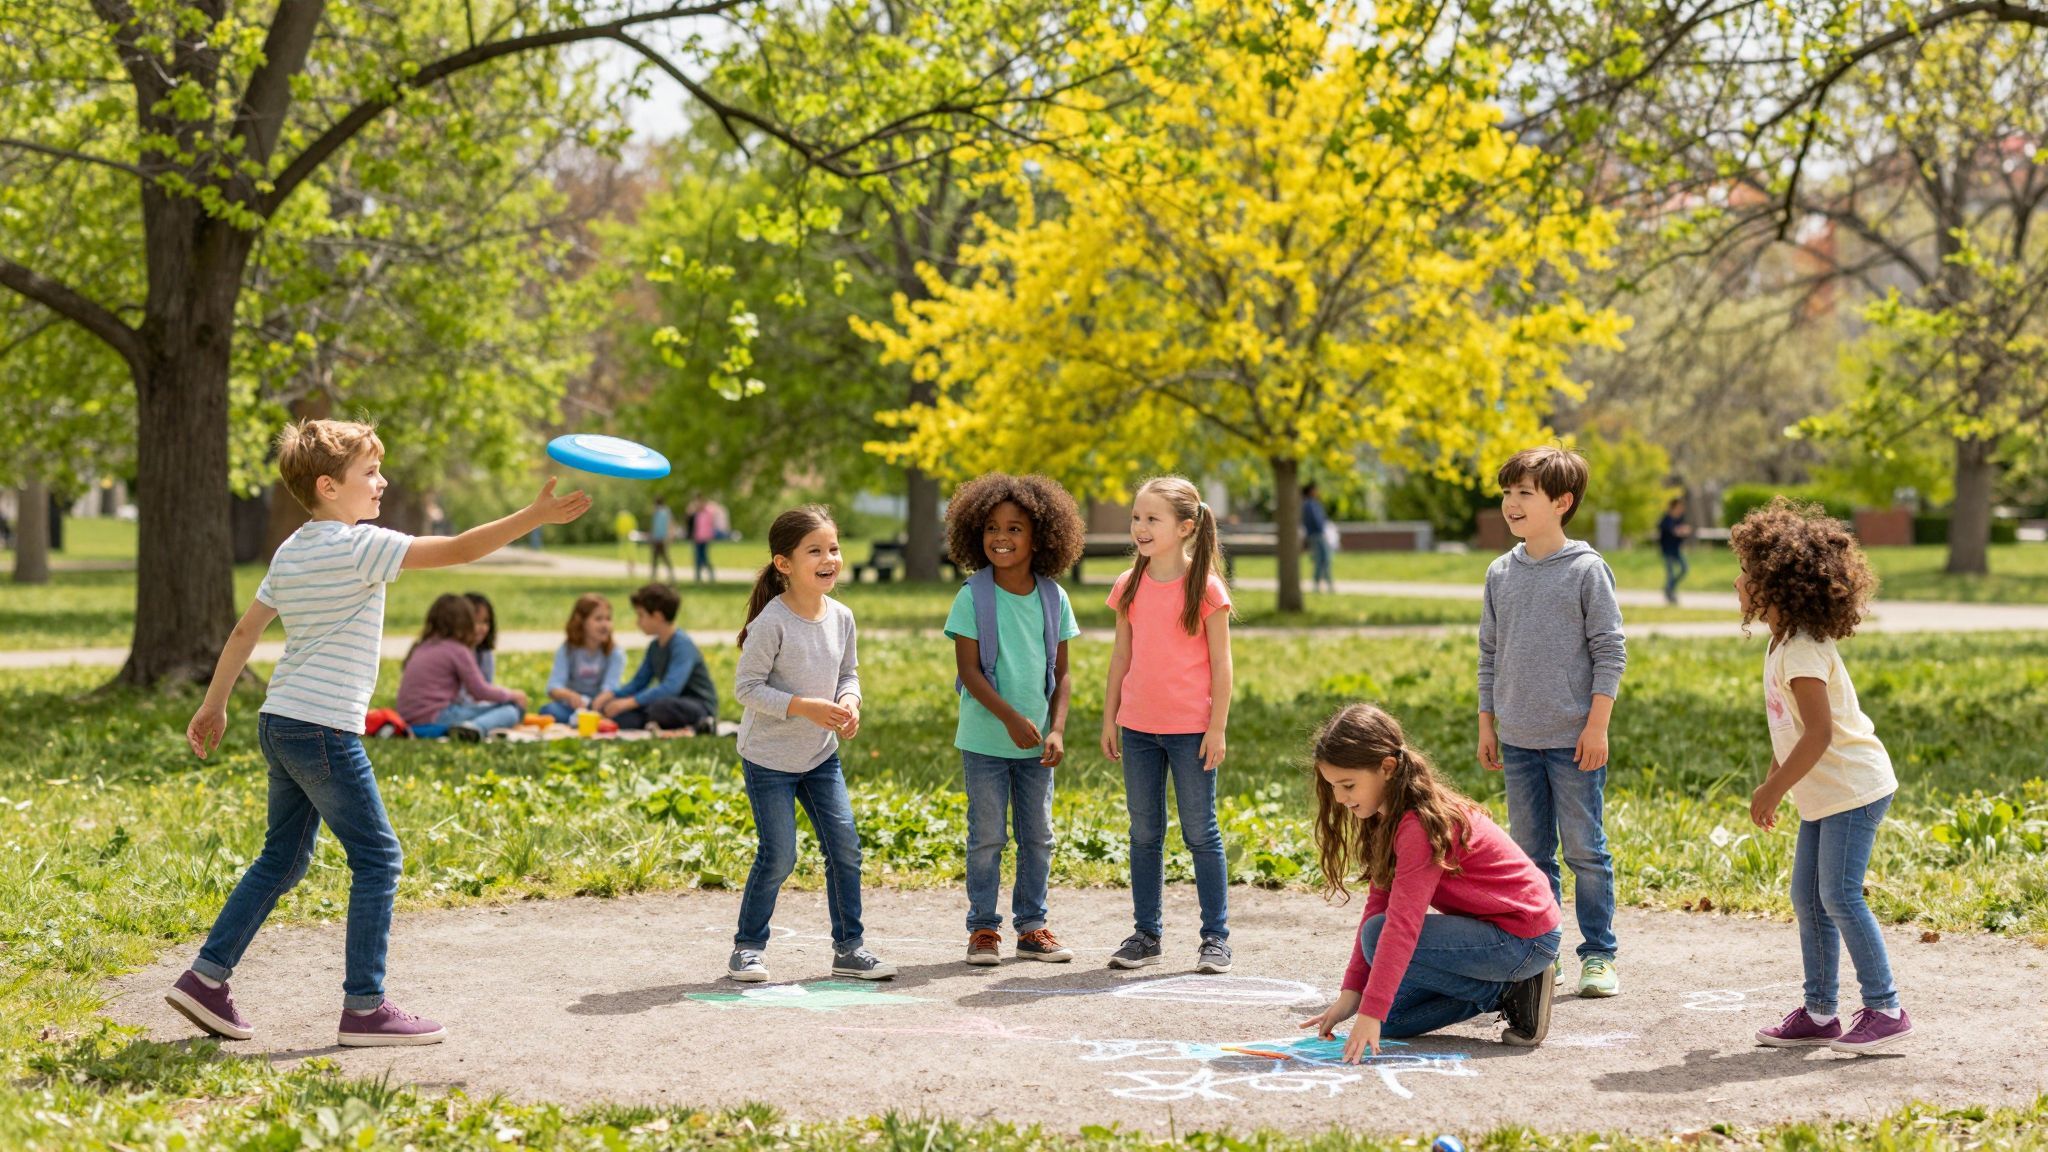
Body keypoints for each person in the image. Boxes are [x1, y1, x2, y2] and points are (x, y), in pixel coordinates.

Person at [173, 418, 589, 1048]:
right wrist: (532, 516)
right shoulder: (358, 545)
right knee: (378, 856)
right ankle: (364, 1008)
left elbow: (244, 633)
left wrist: (214, 705)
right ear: (327, 485)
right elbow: (458, 551)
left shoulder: (291, 550)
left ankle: (206, 979)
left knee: (282, 859)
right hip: (322, 730)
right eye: (369, 472)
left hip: (279, 719)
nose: (381, 482)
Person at [1735, 498, 1911, 1054]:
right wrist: (1775, 781)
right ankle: (1819, 1012)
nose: (1738, 582)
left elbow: (1819, 733)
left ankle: (1885, 1008)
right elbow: (1787, 730)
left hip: (1853, 789)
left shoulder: (1804, 651)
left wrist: (1774, 788)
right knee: (1808, 898)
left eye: (1747, 573)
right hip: (1825, 792)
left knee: (1838, 895)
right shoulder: (1781, 643)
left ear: (1776, 587)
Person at [1299, 703, 1561, 1059]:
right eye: (1333, 787)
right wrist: (1353, 998)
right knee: (1387, 1020)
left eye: (1348, 785)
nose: (1340, 798)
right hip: (1490, 933)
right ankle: (1502, 990)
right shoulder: (1385, 815)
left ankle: (1504, 990)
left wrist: (1370, 1008)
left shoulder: (1418, 825)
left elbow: (1401, 925)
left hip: (1525, 939)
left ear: (1387, 768)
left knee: (1378, 942)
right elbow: (1380, 902)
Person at [1477, 445, 1628, 998]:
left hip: (1572, 740)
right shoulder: (1499, 573)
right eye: (1507, 493)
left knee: (1585, 849)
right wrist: (1487, 722)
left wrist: (1597, 725)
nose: (1511, 504)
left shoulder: (1587, 571)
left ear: (1562, 502)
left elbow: (1610, 651)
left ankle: (1599, 954)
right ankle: (1543, 952)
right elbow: (1489, 652)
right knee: (1531, 852)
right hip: (1516, 739)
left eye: (1525, 493)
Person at [727, 506, 894, 984]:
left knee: (845, 849)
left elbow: (849, 672)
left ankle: (850, 947)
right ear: (784, 564)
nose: (830, 558)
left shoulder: (842, 617)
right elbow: (747, 689)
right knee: (779, 855)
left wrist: (849, 700)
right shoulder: (772, 622)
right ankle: (748, 947)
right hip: (769, 759)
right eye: (815, 550)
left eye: (834, 549)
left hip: (820, 756)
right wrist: (805, 706)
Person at [942, 473, 1087, 967]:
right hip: (985, 739)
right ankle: (983, 928)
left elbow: (1063, 674)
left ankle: (1032, 926)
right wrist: (1008, 718)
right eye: (991, 528)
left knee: (1038, 836)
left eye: (1015, 528)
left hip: (1036, 746)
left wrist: (1057, 727)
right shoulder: (972, 596)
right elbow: (969, 671)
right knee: (987, 836)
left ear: (1041, 536)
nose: (1001, 538)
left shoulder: (1054, 597)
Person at [1100, 475, 1235, 975]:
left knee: (1201, 833)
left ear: (1185, 527)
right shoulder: (1128, 583)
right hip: (1138, 729)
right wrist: (1110, 716)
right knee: (1144, 833)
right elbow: (1121, 656)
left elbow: (1222, 666)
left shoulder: (1206, 588)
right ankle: (1146, 933)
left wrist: (1216, 727)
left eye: (1152, 519)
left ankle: (1215, 937)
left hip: (1191, 732)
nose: (1139, 526)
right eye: (1136, 517)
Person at [395, 594, 528, 740]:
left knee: (498, 708)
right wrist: (512, 695)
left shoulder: (422, 645)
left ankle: (468, 727)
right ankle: (475, 728)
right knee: (511, 710)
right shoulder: (458, 650)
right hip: (437, 716)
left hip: (408, 718)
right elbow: (480, 691)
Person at [596, 583, 719, 733]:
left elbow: (671, 688)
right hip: (667, 702)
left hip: (697, 705)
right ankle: (653, 723)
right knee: (621, 716)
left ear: (657, 616)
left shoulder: (682, 645)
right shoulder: (654, 647)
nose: (637, 622)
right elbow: (638, 683)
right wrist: (611, 696)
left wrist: (628, 703)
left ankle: (702, 723)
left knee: (659, 707)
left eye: (641, 615)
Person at [540, 593, 628, 726]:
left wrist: (596, 705)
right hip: (571, 708)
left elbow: (611, 688)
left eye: (608, 619)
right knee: (548, 711)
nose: (605, 625)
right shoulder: (567, 650)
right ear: (581, 622)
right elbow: (553, 687)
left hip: (601, 707)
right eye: (598, 619)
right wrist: (570, 696)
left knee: (625, 714)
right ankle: (584, 722)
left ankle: (584, 722)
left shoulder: (615, 652)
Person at [1301, 481, 1336, 594]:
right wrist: (1323, 532)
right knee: (1323, 560)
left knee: (1322, 560)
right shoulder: (1309, 505)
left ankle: (1323, 585)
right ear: (1311, 491)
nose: (1317, 491)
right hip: (1317, 535)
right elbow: (1316, 521)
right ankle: (1324, 585)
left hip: (1317, 535)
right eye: (1315, 489)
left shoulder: (1313, 504)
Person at [1657, 496, 1693, 605]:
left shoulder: (1679, 518)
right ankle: (1670, 594)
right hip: (1667, 550)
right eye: (1679, 507)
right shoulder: (1666, 519)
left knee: (1684, 568)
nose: (1681, 509)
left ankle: (1669, 588)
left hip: (1677, 550)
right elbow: (1669, 530)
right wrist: (1678, 531)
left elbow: (1680, 532)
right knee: (1671, 574)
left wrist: (1683, 532)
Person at [462, 591, 498, 684]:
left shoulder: (484, 651)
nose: (482, 628)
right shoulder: (454, 652)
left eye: (485, 622)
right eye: (476, 622)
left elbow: (488, 684)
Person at [690, 494, 726, 584]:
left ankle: (711, 575)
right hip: (697, 537)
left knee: (704, 557)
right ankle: (698, 577)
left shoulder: (708, 512)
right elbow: (694, 524)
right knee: (697, 558)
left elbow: (713, 520)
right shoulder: (697, 513)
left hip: (705, 538)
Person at [649, 497, 677, 582]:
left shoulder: (663, 512)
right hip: (659, 537)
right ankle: (655, 575)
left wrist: (670, 536)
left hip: (661, 538)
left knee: (662, 557)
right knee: (657, 557)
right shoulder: (660, 512)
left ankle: (670, 575)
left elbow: (669, 524)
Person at [614, 507, 640, 579]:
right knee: (630, 553)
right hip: (628, 536)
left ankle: (631, 567)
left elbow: (618, 527)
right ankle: (630, 568)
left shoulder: (621, 517)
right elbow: (634, 524)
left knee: (629, 553)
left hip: (627, 536)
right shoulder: (628, 516)